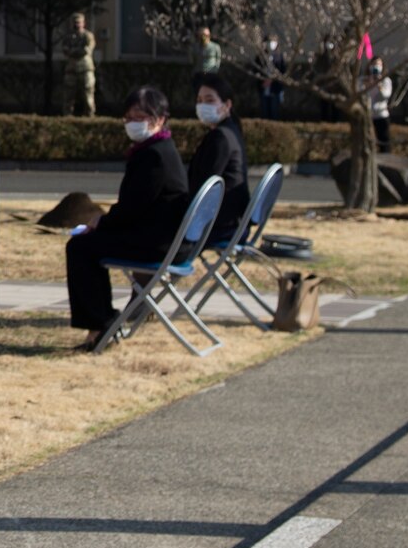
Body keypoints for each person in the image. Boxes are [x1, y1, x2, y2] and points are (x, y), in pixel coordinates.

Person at [66, 85, 190, 345]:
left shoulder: (153, 156)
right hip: (164, 239)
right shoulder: (161, 149)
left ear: (159, 120)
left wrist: (100, 223)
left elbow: (132, 209)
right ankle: (102, 321)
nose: (133, 124)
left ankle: (99, 326)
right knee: (88, 245)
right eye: (129, 118)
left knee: (80, 247)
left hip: (156, 244)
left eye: (140, 118)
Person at [188, 72, 250, 241]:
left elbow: (203, 184)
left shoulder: (221, 137)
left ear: (227, 104)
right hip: (230, 220)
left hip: (220, 224)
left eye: (209, 100)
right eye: (199, 100)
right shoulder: (231, 131)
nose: (202, 106)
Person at [62, 12, 97, 116]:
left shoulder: (88, 36)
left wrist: (74, 51)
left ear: (83, 23)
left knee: (88, 95)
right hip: (71, 70)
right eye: (74, 22)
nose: (76, 25)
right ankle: (67, 116)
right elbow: (65, 50)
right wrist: (75, 51)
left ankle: (90, 116)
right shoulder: (68, 37)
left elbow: (86, 50)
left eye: (79, 22)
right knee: (69, 95)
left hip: (85, 69)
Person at [255, 36, 288, 119]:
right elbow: (256, 71)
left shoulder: (279, 57)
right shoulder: (260, 57)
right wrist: (262, 81)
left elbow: (283, 73)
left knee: (274, 112)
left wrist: (272, 80)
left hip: (275, 89)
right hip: (263, 88)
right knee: (264, 112)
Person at [364, 58, 392, 151]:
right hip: (368, 115)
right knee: (367, 143)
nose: (376, 67)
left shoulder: (386, 81)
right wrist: (368, 84)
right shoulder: (364, 80)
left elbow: (384, 96)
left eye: (378, 64)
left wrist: (379, 84)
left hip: (381, 115)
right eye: (374, 64)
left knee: (384, 142)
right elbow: (361, 95)